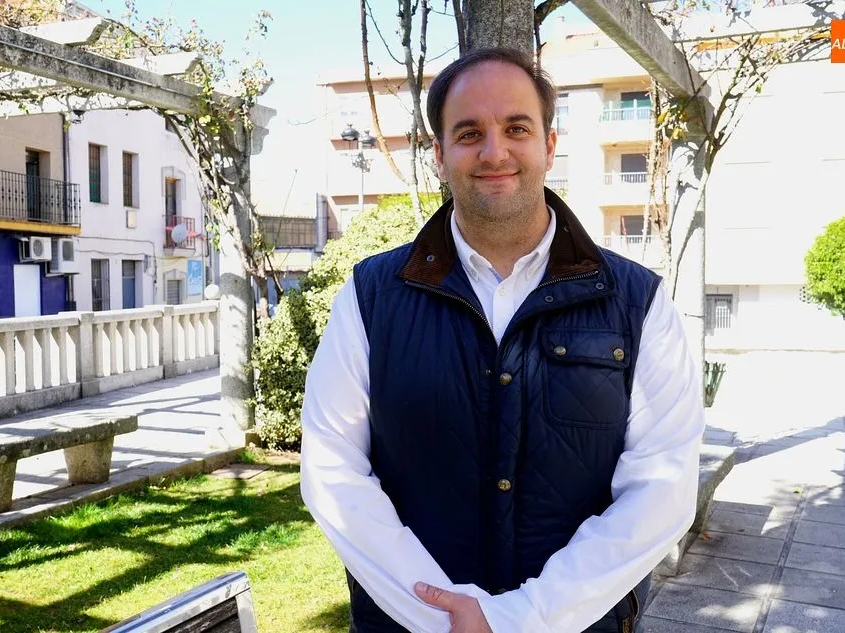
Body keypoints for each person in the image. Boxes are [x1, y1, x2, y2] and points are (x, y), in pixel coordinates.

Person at [300, 47, 705, 633]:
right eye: (469, 134)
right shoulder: (370, 297)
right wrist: (440, 615)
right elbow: (332, 469)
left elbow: (662, 489)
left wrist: (522, 619)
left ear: (549, 144)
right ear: (439, 155)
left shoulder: (638, 302)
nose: (495, 152)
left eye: (517, 128)